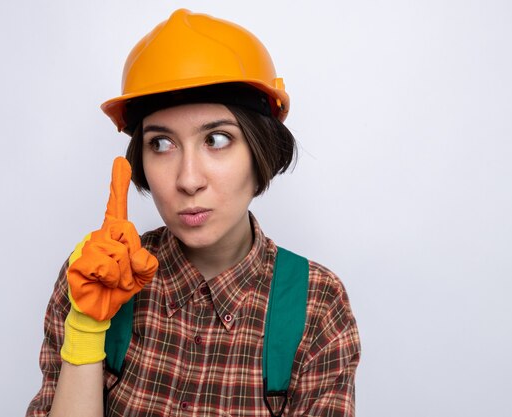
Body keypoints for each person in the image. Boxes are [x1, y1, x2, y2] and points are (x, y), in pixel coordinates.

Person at [27, 8, 360, 417]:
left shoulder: (317, 304)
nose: (187, 179)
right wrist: (85, 331)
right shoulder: (94, 277)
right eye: (162, 144)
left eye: (216, 139)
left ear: (262, 152)